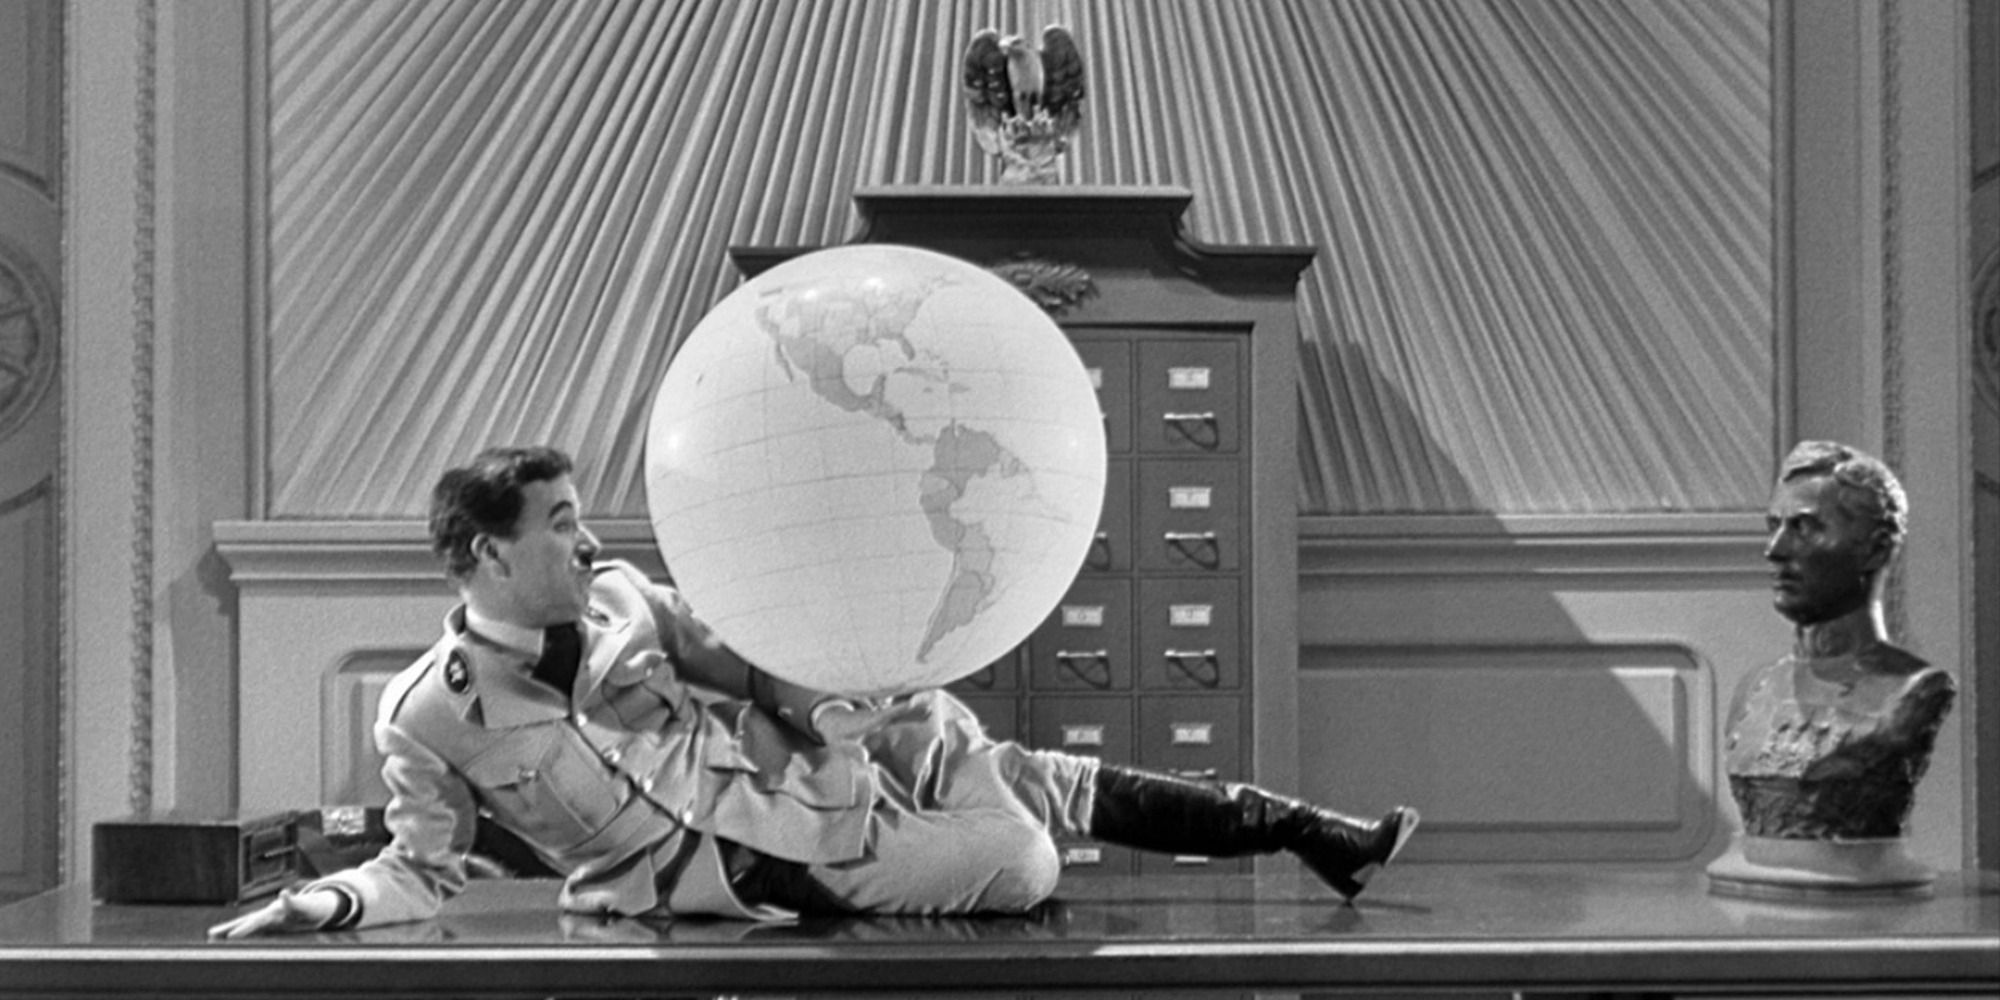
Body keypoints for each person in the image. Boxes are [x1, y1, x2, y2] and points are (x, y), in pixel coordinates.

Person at [210, 446, 1416, 936]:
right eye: (562, 526)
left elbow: (741, 663)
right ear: (481, 555)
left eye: (585, 522)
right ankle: (1299, 833)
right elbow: (420, 864)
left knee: (947, 735)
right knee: (1024, 850)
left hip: (809, 762)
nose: (588, 544)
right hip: (753, 868)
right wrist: (322, 907)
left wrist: (819, 703)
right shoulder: (429, 710)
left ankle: (1307, 832)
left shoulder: (626, 594)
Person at [1709, 441, 1955, 891]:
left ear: (1875, 550)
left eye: (1805, 528)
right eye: (1774, 526)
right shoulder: (1756, 689)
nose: (1775, 549)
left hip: (1865, 911)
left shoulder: (1913, 691)